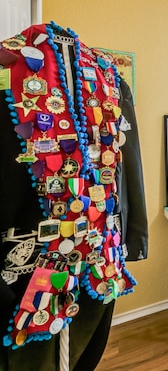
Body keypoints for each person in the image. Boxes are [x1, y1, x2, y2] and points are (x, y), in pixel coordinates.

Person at [0, 23, 148, 371]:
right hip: (23, 265)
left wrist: (133, 238)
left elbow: (129, 168)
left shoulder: (109, 79)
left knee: (87, 347)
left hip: (101, 256)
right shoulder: (8, 67)